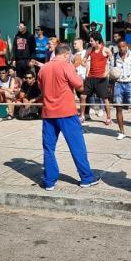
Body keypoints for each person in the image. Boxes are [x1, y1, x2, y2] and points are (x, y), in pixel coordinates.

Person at [38, 43, 99, 190]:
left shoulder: (44, 68)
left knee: (48, 148)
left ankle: (49, 181)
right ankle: (86, 178)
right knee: (77, 145)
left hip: (48, 113)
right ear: (66, 54)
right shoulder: (66, 66)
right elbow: (79, 85)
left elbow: (42, 88)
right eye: (69, 56)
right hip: (66, 113)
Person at [80, 33, 113, 125]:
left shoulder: (106, 50)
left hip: (101, 78)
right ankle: (82, 116)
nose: (90, 42)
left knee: (105, 99)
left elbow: (112, 63)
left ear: (97, 41)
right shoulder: (90, 49)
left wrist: (107, 72)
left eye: (91, 41)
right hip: (90, 77)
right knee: (83, 96)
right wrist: (84, 63)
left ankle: (108, 118)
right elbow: (84, 60)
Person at [112, 40, 131, 142]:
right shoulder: (114, 57)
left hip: (130, 84)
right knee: (118, 108)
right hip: (118, 84)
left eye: (123, 46)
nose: (122, 48)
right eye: (120, 47)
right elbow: (112, 70)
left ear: (127, 46)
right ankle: (121, 131)